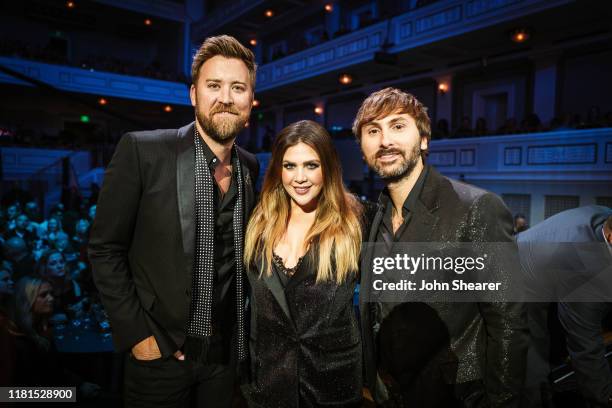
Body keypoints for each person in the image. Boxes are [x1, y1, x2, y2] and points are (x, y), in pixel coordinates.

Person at [88, 35, 259, 408]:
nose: (226, 97)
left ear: (250, 101)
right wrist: (138, 336)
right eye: (214, 85)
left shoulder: (250, 166)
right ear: (193, 94)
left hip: (223, 356)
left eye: (238, 87)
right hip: (158, 358)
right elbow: (104, 248)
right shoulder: (143, 150)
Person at [354, 87, 528, 407]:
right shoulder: (371, 217)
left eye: (398, 126)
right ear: (362, 148)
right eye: (373, 130)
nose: (385, 141)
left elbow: (508, 324)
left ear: (423, 139)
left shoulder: (477, 207)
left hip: (455, 395)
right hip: (388, 392)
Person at [242, 120, 363, 407]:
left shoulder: (356, 223)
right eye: (289, 166)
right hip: (269, 383)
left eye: (311, 165)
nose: (300, 178)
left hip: (334, 386)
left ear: (329, 169)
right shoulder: (257, 225)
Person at [517, 205, 612, 408]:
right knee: (533, 360)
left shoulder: (605, 217)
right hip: (517, 279)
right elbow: (585, 345)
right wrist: (605, 399)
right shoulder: (583, 263)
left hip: (546, 268)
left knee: (556, 344)